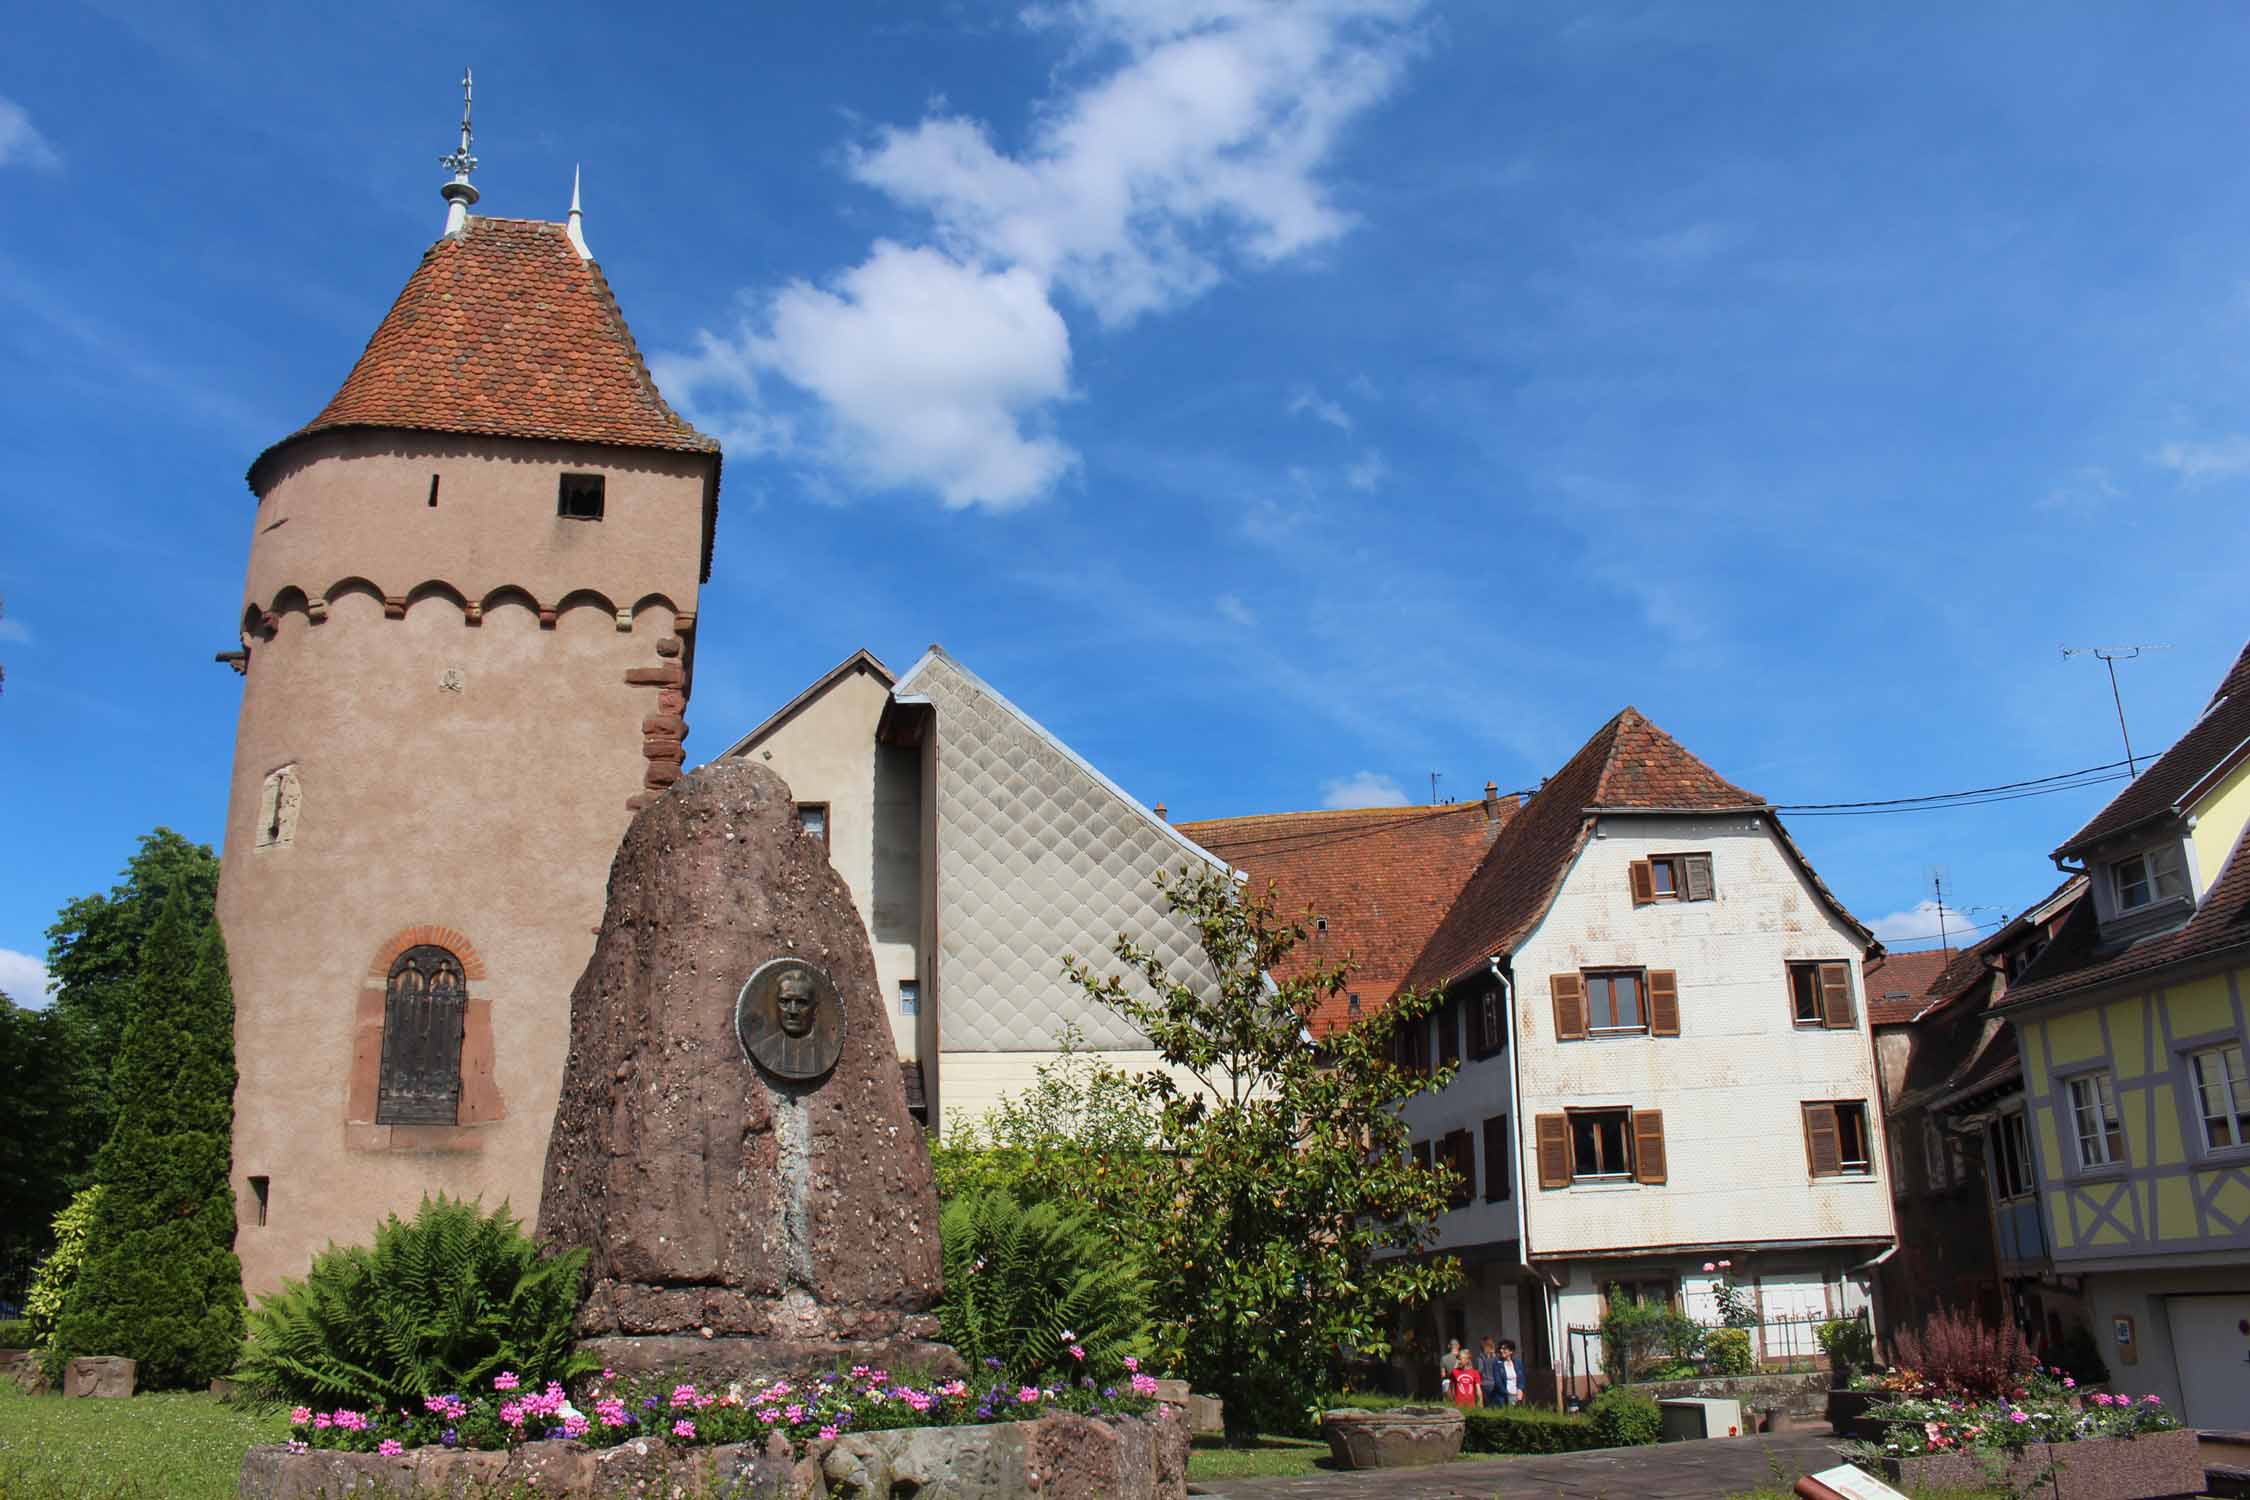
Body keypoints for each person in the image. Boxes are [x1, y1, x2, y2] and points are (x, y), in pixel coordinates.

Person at [1482, 1338, 1523, 1406]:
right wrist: (1508, 1394)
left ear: (1511, 1351)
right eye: (1500, 1348)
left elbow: (1521, 1378)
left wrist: (1520, 1389)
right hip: (1503, 1397)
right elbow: (1498, 1382)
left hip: (1517, 1396)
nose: (1501, 1350)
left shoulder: (1517, 1362)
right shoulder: (1497, 1363)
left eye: (1504, 1349)